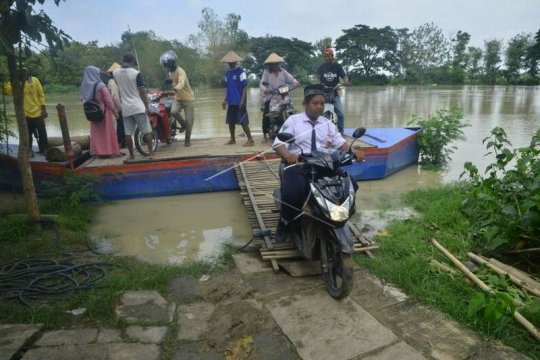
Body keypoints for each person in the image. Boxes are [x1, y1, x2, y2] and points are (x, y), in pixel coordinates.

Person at [272, 84, 363, 241]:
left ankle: (339, 215)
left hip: (324, 164)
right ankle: (285, 222)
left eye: (322, 103)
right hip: (299, 164)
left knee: (351, 184)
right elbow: (278, 144)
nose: (319, 107)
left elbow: (339, 142)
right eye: (315, 103)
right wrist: (288, 155)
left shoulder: (327, 123)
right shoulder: (293, 121)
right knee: (293, 192)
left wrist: (353, 151)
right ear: (306, 104)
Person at [112, 53, 154, 159]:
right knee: (146, 131)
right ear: (132, 61)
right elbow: (142, 92)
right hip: (138, 106)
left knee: (128, 133)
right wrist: (147, 107)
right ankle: (151, 154)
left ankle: (131, 155)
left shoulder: (115, 73)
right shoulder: (136, 73)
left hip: (126, 108)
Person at [80, 66, 122, 158]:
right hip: (103, 112)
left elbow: (82, 99)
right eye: (97, 73)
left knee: (96, 133)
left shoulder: (84, 86)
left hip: (92, 113)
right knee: (108, 132)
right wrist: (115, 112)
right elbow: (108, 100)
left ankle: (98, 152)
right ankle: (111, 152)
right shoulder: (100, 85)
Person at [259, 53, 299, 143]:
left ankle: (291, 131)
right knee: (266, 114)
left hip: (283, 96)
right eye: (273, 64)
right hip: (271, 96)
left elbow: (291, 80)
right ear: (270, 64)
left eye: (276, 63)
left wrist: (295, 83)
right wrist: (266, 90)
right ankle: (264, 135)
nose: (275, 65)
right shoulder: (266, 72)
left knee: (292, 111)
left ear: (279, 64)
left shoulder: (283, 72)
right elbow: (262, 84)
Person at [160, 50, 195, 147]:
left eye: (168, 64)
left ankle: (187, 141)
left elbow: (181, 82)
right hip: (178, 98)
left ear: (173, 63)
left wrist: (175, 89)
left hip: (188, 99)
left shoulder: (181, 71)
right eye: (166, 64)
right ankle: (183, 125)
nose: (167, 66)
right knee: (173, 112)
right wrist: (168, 84)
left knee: (189, 121)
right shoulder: (170, 72)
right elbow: (173, 81)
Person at [220, 51, 254, 147]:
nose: (231, 64)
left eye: (232, 63)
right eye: (229, 63)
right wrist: (225, 100)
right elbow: (228, 88)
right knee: (230, 121)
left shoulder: (241, 72)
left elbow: (245, 87)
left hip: (240, 101)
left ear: (235, 62)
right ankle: (232, 139)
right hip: (231, 101)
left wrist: (243, 100)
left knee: (243, 121)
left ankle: (250, 140)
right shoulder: (227, 74)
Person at [317, 48, 349, 134]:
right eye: (326, 56)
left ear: (332, 56)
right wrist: (319, 87)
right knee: (324, 115)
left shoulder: (337, 67)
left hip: (335, 93)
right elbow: (318, 79)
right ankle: (324, 133)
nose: (327, 58)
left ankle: (341, 132)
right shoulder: (321, 67)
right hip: (324, 94)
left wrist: (345, 81)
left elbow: (344, 76)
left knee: (340, 114)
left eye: (329, 56)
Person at [21, 67, 48, 157]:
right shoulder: (17, 84)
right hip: (25, 114)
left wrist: (43, 108)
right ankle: (29, 151)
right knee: (27, 135)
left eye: (26, 72)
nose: (25, 74)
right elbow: (6, 89)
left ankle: (44, 150)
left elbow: (41, 95)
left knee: (42, 133)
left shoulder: (35, 80)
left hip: (38, 113)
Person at [107, 62, 126, 148]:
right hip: (116, 108)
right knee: (120, 125)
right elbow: (115, 97)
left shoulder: (111, 81)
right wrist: (120, 109)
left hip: (113, 108)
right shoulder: (114, 82)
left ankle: (120, 143)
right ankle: (120, 143)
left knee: (120, 126)